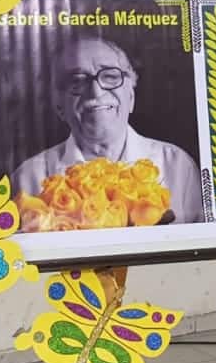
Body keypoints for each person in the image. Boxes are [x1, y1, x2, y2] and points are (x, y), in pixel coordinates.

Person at [11, 34, 204, 223]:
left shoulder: (178, 167)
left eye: (111, 76)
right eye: (78, 80)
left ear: (131, 97)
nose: (96, 91)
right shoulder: (28, 179)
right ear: (59, 106)